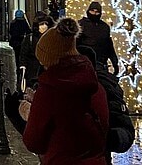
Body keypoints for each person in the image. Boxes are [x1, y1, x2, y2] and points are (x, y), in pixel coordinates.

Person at [22, 18, 109, 164]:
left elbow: (34, 142)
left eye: (43, 62)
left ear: (51, 60)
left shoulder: (49, 91)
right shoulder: (95, 86)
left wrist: (28, 113)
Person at [78, 1, 120, 74]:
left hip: (100, 64)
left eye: (97, 12)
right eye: (92, 11)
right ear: (88, 11)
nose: (94, 14)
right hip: (84, 64)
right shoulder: (80, 25)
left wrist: (115, 63)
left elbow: (109, 46)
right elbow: (75, 45)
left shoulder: (104, 27)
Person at [19, 12, 54, 88]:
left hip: (48, 72)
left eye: (46, 24)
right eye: (41, 24)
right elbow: (23, 54)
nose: (44, 26)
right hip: (32, 72)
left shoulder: (52, 38)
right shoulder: (30, 39)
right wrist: (23, 68)